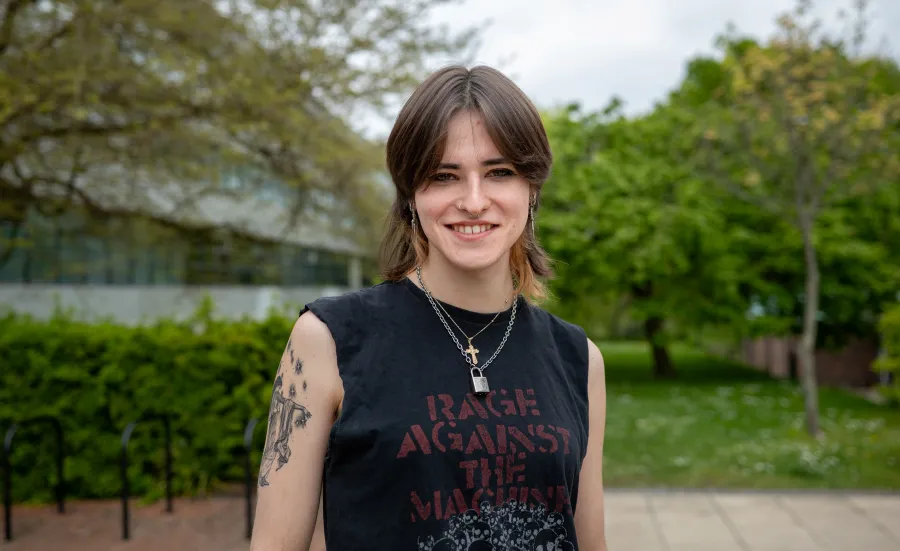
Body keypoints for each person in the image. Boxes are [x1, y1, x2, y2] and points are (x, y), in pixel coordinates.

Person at [250, 65, 608, 551]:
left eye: (500, 172)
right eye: (444, 176)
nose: (474, 201)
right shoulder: (328, 339)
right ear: (411, 197)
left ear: (532, 189)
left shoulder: (579, 358)